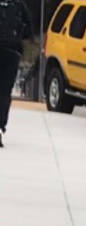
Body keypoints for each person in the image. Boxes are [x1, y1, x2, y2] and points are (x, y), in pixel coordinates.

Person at [0, 0, 34, 147]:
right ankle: (0, 127)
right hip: (13, 50)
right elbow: (28, 33)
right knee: (5, 92)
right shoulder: (19, 5)